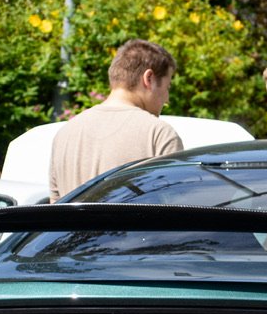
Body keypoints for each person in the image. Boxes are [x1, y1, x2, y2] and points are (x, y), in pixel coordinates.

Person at [49, 39, 183, 201]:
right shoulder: (158, 134)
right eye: (167, 87)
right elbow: (173, 212)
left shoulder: (65, 134)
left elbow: (55, 209)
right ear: (149, 78)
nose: (167, 99)